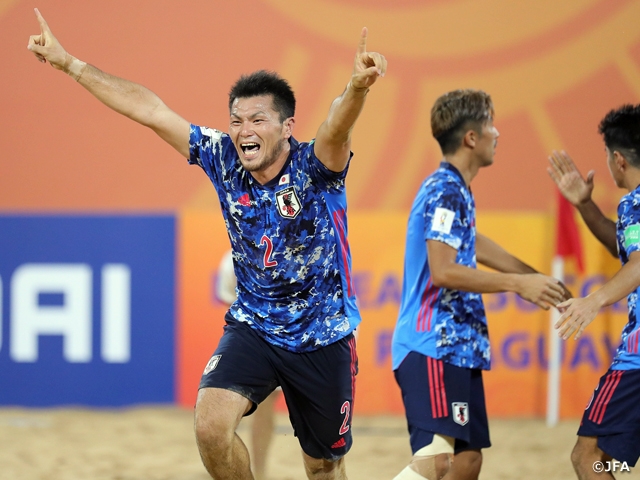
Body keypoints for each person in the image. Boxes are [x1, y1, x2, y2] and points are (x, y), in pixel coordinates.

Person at [28, 8, 386, 480]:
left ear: (287, 126)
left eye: (257, 119)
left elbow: (338, 127)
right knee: (210, 427)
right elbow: (151, 111)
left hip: (322, 335)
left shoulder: (316, 166)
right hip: (253, 325)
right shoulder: (222, 157)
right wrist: (71, 64)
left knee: (323, 468)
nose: (243, 131)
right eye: (236, 120)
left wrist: (357, 88)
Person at [391, 89, 570, 480]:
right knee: (438, 459)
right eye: (490, 123)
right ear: (471, 138)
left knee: (468, 461)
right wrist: (517, 285)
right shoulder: (444, 188)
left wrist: (535, 278)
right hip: (432, 345)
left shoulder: (457, 189)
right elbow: (443, 270)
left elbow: (473, 242)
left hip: (459, 348)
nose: (497, 133)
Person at [548, 104, 640, 478]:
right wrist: (585, 205)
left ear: (618, 159)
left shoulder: (635, 202)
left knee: (589, 457)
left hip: (638, 361)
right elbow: (627, 250)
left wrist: (593, 301)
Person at [215, 249, 280, 480]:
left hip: (302, 333)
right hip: (258, 338)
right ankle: (260, 471)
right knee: (264, 405)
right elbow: (229, 305)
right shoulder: (233, 259)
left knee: (308, 411)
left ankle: (261, 470)